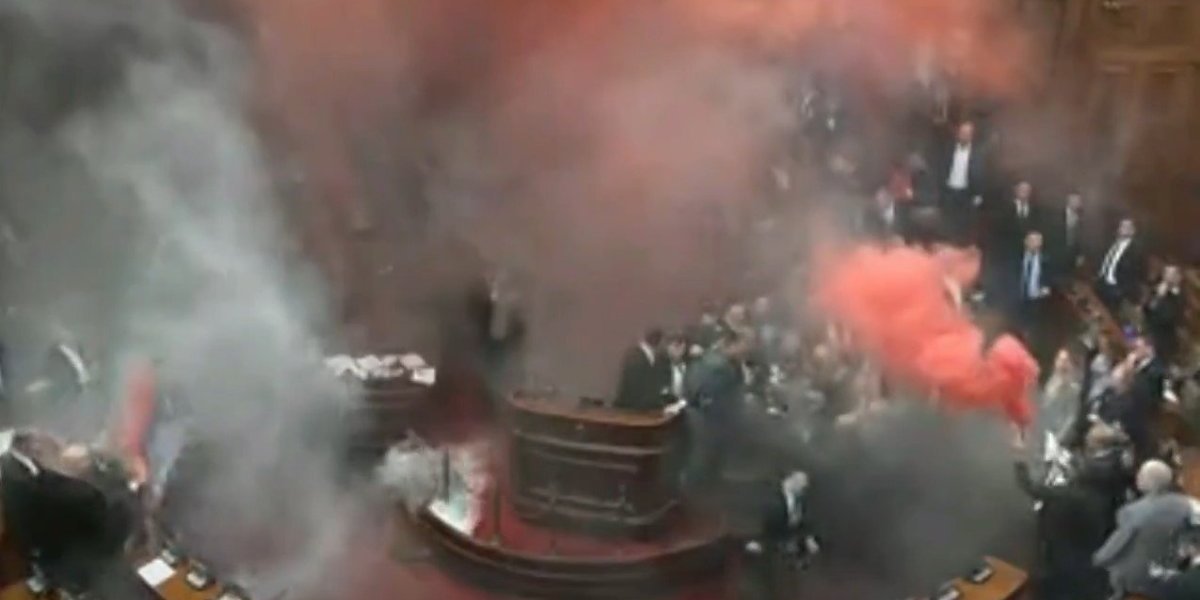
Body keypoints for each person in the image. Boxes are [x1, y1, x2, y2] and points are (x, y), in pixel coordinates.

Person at [1013, 437, 1112, 600]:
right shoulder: (1099, 497)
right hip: (1086, 552)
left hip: (1062, 551)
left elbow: (1030, 487)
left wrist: (1019, 459)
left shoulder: (1066, 495)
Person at [1094, 460, 1194, 597]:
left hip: (1140, 578)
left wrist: (1096, 559)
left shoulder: (1132, 511)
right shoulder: (1187, 504)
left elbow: (1116, 547)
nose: (1137, 476)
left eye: (1140, 474)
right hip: (1175, 571)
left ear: (1148, 481)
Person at [938, 120, 987, 245]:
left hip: (966, 192)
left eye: (967, 133)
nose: (964, 135)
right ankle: (947, 244)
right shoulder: (948, 149)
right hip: (949, 190)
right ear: (958, 134)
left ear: (972, 135)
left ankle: (960, 246)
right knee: (947, 221)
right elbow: (941, 169)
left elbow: (981, 174)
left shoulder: (978, 153)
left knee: (963, 223)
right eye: (962, 132)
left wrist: (979, 194)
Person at [1094, 218, 1145, 314]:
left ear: (1133, 231)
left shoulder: (1136, 250)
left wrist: (1122, 290)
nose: (1122, 228)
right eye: (1121, 226)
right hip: (1101, 282)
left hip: (1116, 289)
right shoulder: (1112, 242)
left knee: (1109, 316)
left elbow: (1136, 274)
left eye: (1126, 226)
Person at [613, 329, 671, 412]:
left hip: (643, 409)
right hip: (633, 410)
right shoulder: (635, 357)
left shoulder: (652, 358)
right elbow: (634, 387)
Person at [1143, 265, 1184, 365]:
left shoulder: (1179, 295)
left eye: (1172, 274)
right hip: (1153, 330)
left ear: (1179, 277)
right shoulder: (1156, 290)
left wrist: (1162, 298)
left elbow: (1170, 316)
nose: (1168, 278)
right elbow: (1147, 309)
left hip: (1168, 333)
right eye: (1166, 274)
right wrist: (1158, 296)